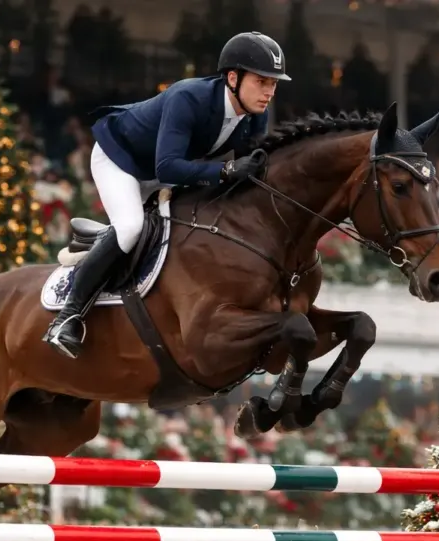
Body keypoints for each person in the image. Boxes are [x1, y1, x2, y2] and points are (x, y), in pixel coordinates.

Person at [44, 31, 291, 358]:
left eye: (273, 84)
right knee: (131, 226)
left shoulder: (255, 116)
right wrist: (226, 172)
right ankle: (67, 317)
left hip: (166, 171)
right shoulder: (188, 97)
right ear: (233, 77)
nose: (269, 92)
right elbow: (169, 168)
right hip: (121, 160)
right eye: (262, 81)